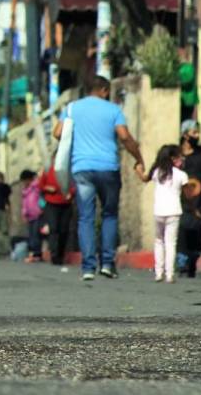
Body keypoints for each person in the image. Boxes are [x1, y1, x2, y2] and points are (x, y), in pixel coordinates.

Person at [53, 76, 144, 281]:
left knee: (86, 217)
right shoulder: (113, 110)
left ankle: (87, 267)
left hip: (82, 168)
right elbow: (124, 136)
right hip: (108, 168)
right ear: (103, 90)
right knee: (109, 214)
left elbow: (58, 133)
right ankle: (108, 264)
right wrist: (138, 157)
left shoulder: (72, 108)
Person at [134, 145, 189, 284]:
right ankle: (169, 274)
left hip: (158, 211)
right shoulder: (181, 175)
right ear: (172, 158)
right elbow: (188, 193)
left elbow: (144, 178)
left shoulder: (157, 172)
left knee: (159, 241)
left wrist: (138, 170)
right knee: (171, 243)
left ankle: (158, 273)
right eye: (178, 156)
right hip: (174, 212)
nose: (181, 159)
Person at [179, 120, 201, 277]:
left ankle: (192, 262)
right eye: (193, 132)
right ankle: (182, 263)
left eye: (197, 132)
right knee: (182, 230)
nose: (196, 136)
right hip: (180, 202)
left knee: (197, 234)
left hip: (199, 202)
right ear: (185, 135)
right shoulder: (177, 156)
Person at [38, 163, 76, 266]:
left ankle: (60, 254)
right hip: (51, 204)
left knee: (64, 230)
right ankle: (54, 255)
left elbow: (74, 184)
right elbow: (40, 185)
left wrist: (71, 193)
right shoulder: (47, 170)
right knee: (53, 228)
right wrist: (47, 188)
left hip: (66, 204)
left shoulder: (69, 170)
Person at [19, 169, 43, 263]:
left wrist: (42, 208)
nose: (24, 183)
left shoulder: (36, 187)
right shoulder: (25, 191)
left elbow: (41, 198)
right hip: (29, 216)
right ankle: (33, 253)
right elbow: (24, 204)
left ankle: (37, 254)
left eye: (25, 181)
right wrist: (24, 214)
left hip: (37, 214)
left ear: (29, 179)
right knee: (31, 236)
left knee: (36, 235)